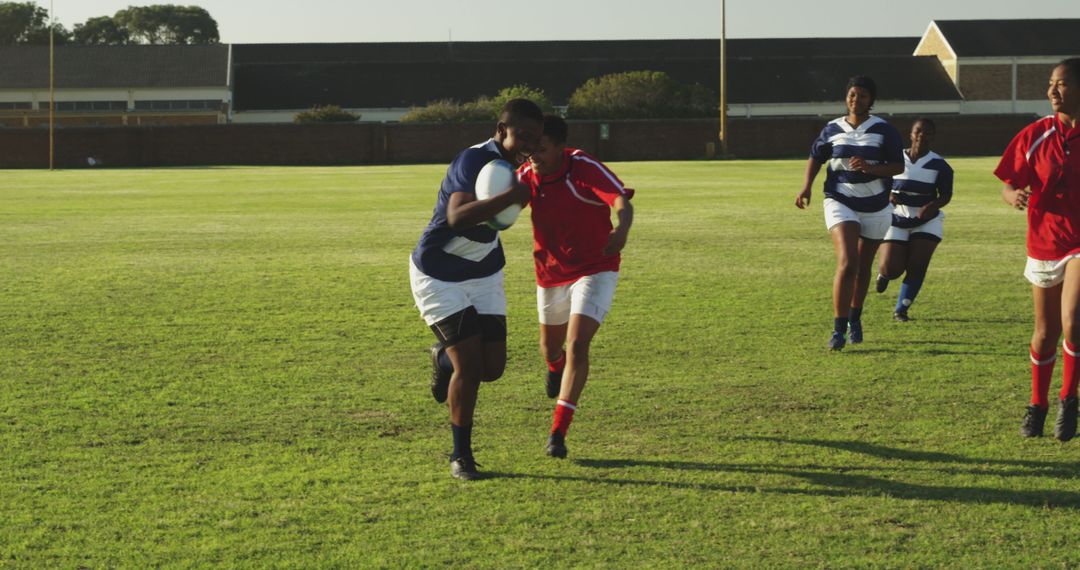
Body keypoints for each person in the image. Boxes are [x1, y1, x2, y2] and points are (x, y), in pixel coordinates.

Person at [409, 98, 543, 479]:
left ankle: (443, 359)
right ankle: (460, 456)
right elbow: (457, 216)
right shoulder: (472, 161)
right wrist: (512, 197)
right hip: (439, 272)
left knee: (492, 368)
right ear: (502, 131)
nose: (531, 143)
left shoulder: (525, 166)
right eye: (523, 135)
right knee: (470, 367)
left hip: (484, 273)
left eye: (536, 136)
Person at [516, 115, 634, 459]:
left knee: (577, 343)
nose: (533, 155)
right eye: (530, 149)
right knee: (550, 349)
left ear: (559, 147)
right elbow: (505, 208)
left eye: (541, 148)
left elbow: (621, 202)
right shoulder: (525, 175)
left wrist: (621, 230)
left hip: (596, 267)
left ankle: (558, 432)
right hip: (551, 272)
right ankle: (555, 367)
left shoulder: (582, 166)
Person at [995, 57, 1080, 442]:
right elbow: (1008, 184)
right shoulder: (1036, 135)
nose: (1052, 91)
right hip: (1044, 241)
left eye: (1061, 83)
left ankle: (1068, 399)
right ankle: (1038, 404)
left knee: (1073, 322)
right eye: (1050, 83)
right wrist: (1013, 195)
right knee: (1044, 334)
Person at [795, 76, 905, 351]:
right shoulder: (832, 128)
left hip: (876, 205)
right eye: (852, 95)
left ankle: (855, 318)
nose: (857, 100)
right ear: (846, 98)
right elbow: (816, 156)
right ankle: (838, 328)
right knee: (847, 262)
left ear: (872, 100)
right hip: (839, 199)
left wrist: (869, 168)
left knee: (862, 268)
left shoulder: (884, 130)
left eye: (863, 96)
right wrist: (806, 186)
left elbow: (897, 166)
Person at [874, 118, 954, 321]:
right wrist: (889, 195)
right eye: (918, 131)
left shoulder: (940, 165)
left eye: (927, 132)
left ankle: (901, 309)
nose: (921, 136)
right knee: (892, 269)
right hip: (897, 217)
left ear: (933, 137)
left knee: (917, 265)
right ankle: (884, 274)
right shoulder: (895, 159)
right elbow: (880, 183)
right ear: (910, 134)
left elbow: (945, 195)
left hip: (926, 219)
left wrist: (932, 205)